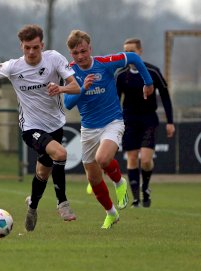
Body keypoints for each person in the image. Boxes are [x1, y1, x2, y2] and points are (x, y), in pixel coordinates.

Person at [0, 24, 81, 232]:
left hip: (55, 125)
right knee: (60, 153)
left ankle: (32, 207)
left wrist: (60, 87)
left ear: (42, 45)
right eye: (27, 48)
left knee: (43, 173)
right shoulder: (13, 67)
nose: (31, 52)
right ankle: (62, 203)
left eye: (35, 47)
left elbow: (76, 86)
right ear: (21, 47)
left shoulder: (54, 59)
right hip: (30, 128)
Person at [64, 30, 154, 229]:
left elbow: (132, 57)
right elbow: (68, 103)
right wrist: (83, 88)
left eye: (83, 51)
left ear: (90, 48)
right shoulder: (69, 72)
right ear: (71, 54)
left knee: (103, 158)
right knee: (94, 179)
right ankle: (111, 213)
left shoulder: (105, 63)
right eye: (75, 53)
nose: (80, 56)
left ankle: (119, 181)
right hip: (88, 128)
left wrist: (148, 83)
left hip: (112, 122)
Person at [116, 38, 175, 208]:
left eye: (132, 51)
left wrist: (170, 121)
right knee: (132, 158)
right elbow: (115, 100)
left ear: (140, 51)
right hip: (129, 120)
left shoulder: (152, 71)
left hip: (149, 119)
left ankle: (146, 188)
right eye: (126, 51)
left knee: (146, 160)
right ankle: (135, 199)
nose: (129, 55)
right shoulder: (121, 74)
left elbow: (165, 96)